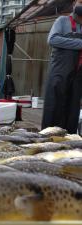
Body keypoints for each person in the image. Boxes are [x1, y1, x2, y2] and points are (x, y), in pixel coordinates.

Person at [42, 0, 82, 134]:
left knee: (72, 114)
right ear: (74, 4)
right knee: (54, 111)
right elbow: (52, 39)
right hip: (59, 75)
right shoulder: (62, 21)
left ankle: (68, 147)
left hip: (77, 77)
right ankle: (45, 145)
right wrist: (79, 43)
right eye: (81, 2)